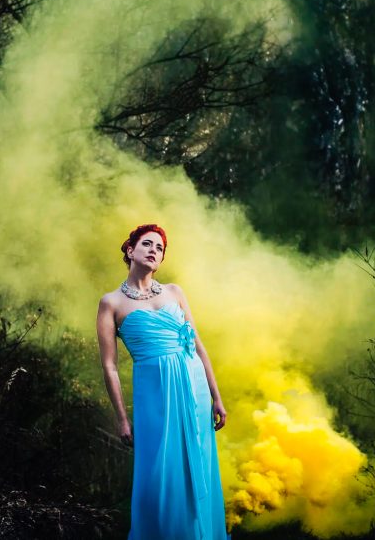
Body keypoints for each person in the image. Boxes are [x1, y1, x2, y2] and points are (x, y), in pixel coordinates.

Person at [97, 223, 230, 539]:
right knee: (158, 474)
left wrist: (216, 396)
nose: (154, 249)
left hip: (193, 388)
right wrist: (122, 419)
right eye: (147, 243)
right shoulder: (111, 303)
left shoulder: (174, 291)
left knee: (197, 464)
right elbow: (110, 367)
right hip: (154, 395)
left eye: (160, 247)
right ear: (130, 251)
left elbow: (198, 345)